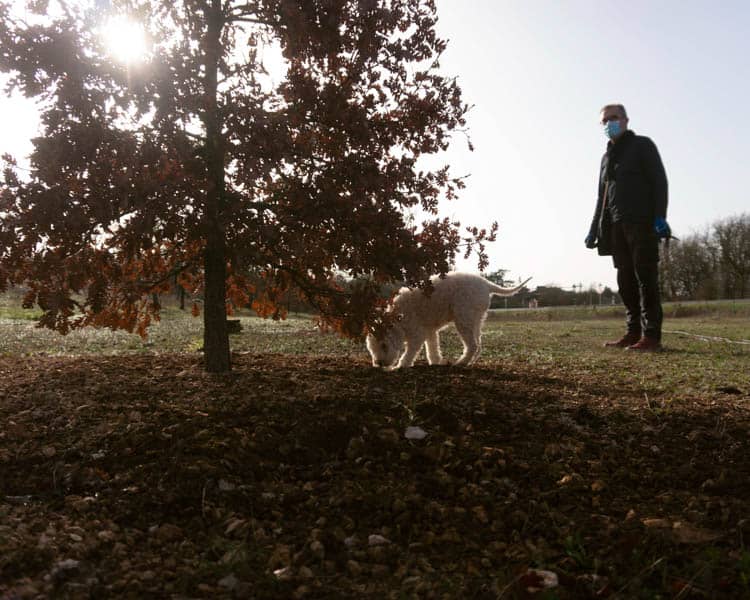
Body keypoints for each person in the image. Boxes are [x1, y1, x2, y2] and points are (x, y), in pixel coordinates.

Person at [585, 103, 671, 351]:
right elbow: (601, 197)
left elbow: (659, 181)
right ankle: (633, 333)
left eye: (613, 118)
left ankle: (651, 336)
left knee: (646, 278)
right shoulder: (606, 158)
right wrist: (594, 229)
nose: (609, 123)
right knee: (625, 280)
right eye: (604, 121)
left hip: (641, 222)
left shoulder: (642, 145)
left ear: (625, 120)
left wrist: (659, 216)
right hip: (615, 225)